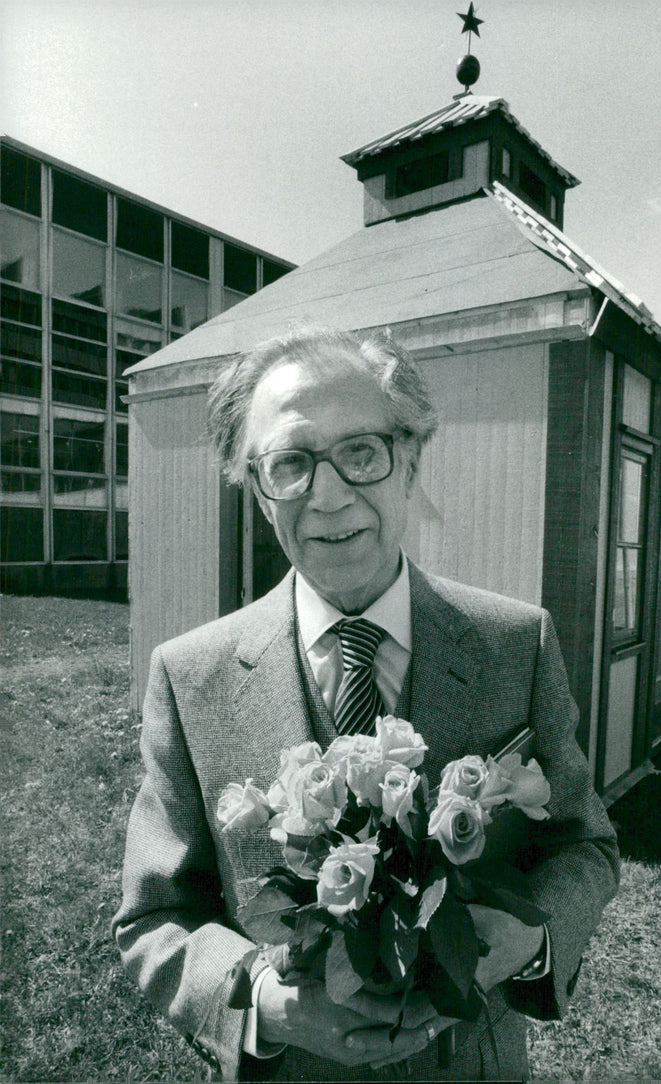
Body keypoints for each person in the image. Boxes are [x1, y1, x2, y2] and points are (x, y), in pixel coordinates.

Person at [113, 326, 620, 1082]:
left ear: (410, 458)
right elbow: (155, 917)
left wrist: (528, 936)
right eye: (290, 462)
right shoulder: (192, 678)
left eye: (361, 452)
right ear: (255, 488)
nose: (327, 494)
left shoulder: (517, 643)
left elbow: (585, 844)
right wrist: (257, 1000)